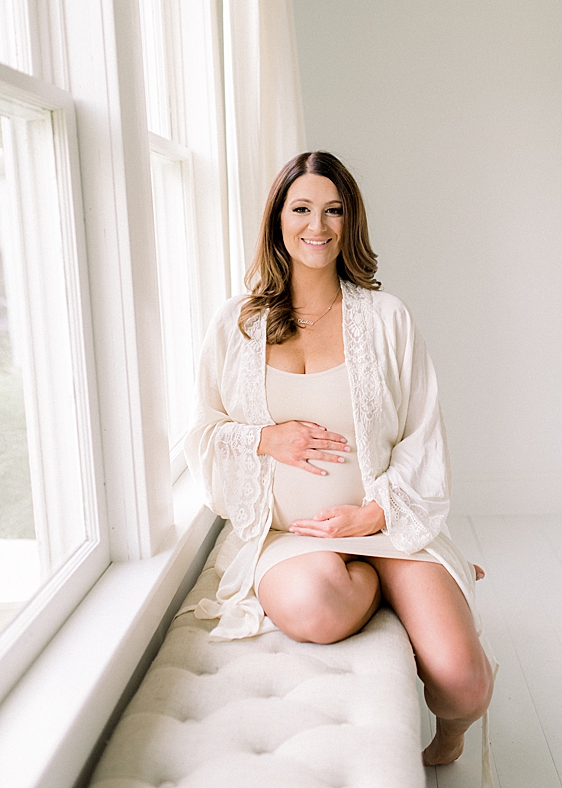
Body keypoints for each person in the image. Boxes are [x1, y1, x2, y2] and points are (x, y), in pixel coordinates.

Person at [185, 152, 493, 768]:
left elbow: (424, 436)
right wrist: (265, 439)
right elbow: (203, 431)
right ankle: (380, 586)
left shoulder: (387, 319)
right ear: (277, 221)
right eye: (301, 209)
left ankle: (450, 725)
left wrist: (373, 516)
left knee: (464, 680)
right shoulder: (237, 324)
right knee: (313, 607)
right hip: (289, 536)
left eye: (333, 210)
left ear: (351, 222)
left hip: (388, 525)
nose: (317, 225)